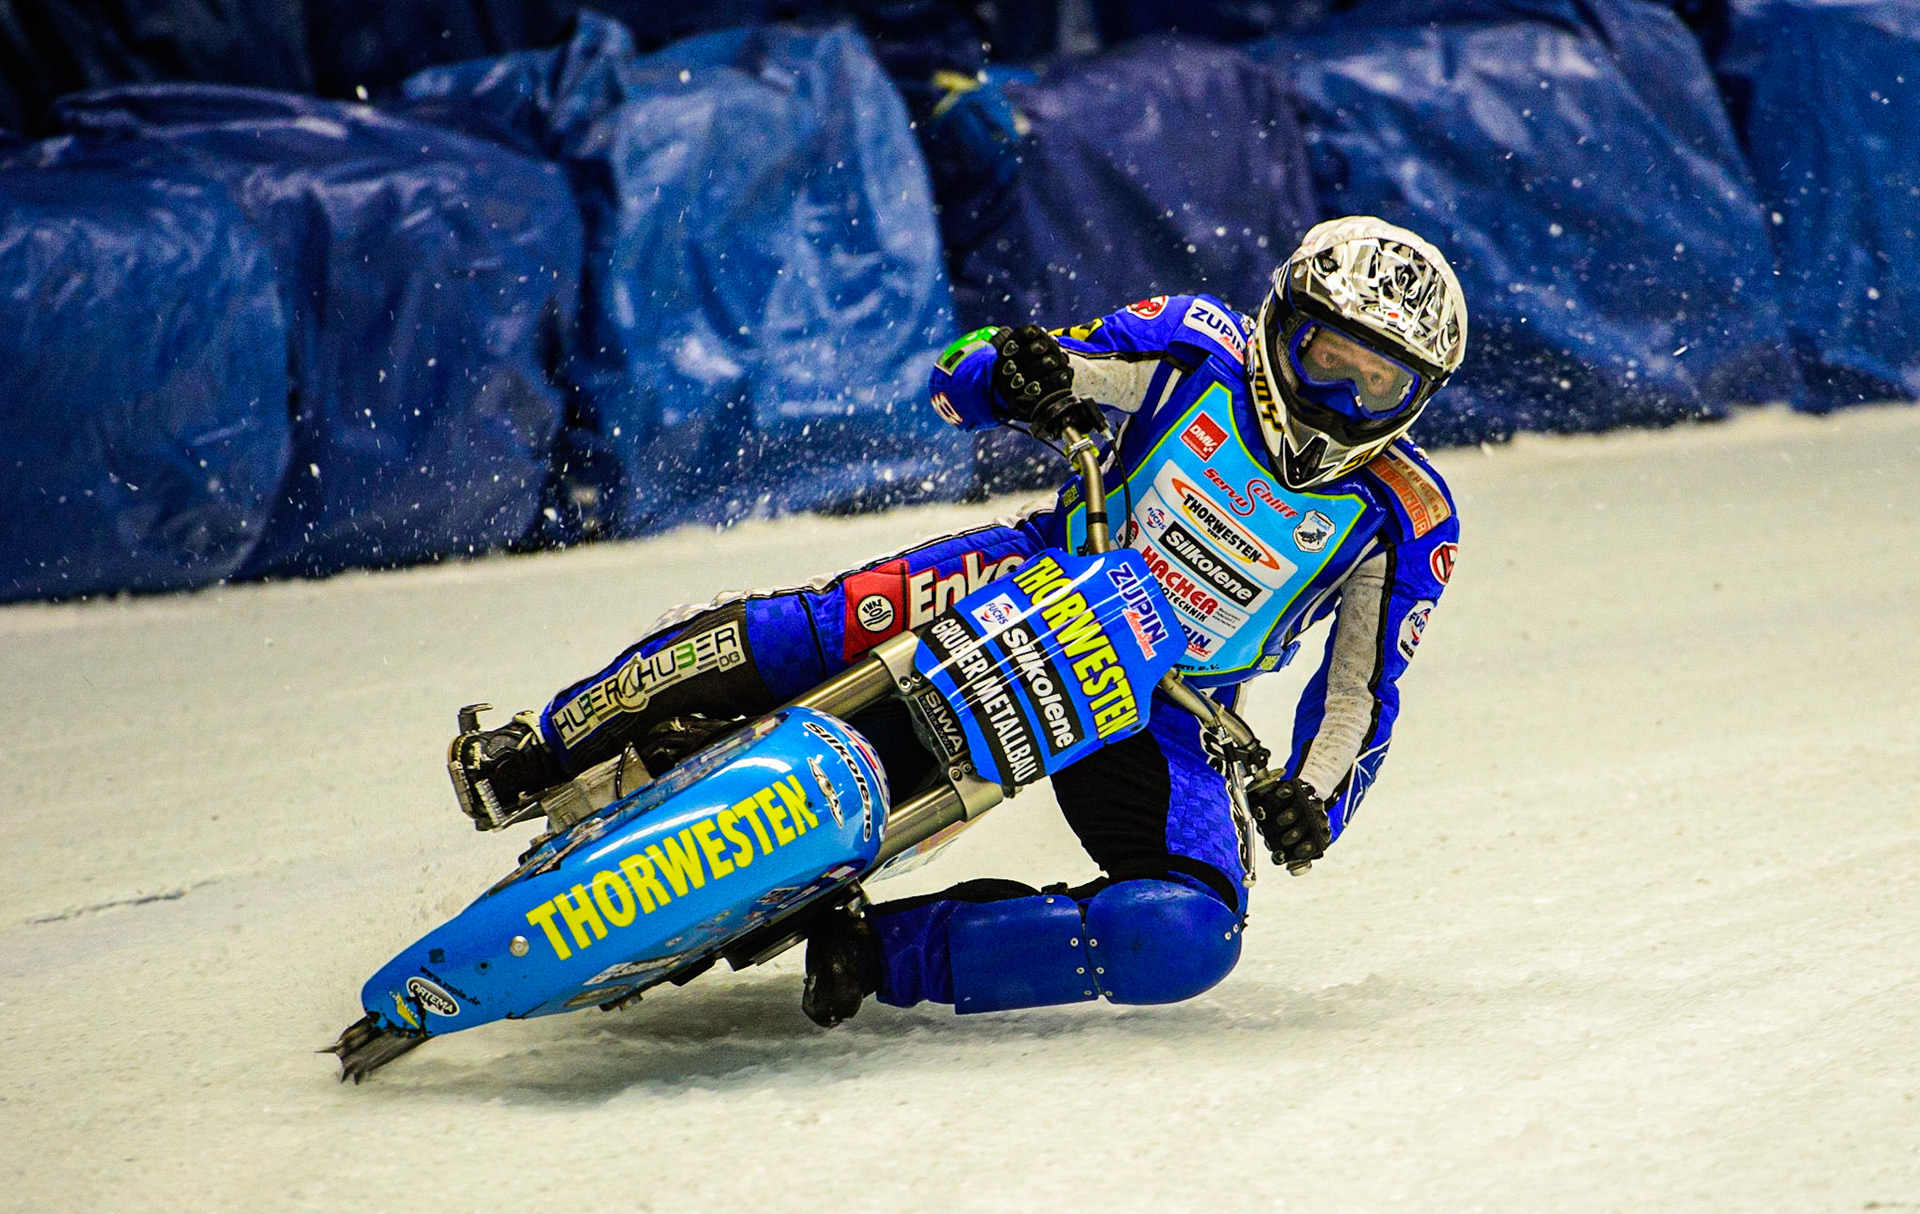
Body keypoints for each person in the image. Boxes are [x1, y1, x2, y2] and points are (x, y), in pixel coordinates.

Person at [446, 215, 1468, 1027]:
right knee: (804, 630)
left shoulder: (1408, 516)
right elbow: (968, 370)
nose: (1338, 399)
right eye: (1324, 354)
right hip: (1034, 579)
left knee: (1191, 930)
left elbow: (1360, 696)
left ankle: (878, 952)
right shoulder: (1192, 348)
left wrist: (1311, 803)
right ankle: (541, 746)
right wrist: (1013, 370)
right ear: (1278, 319)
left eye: (1376, 383)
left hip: (1163, 708)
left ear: (1415, 399)